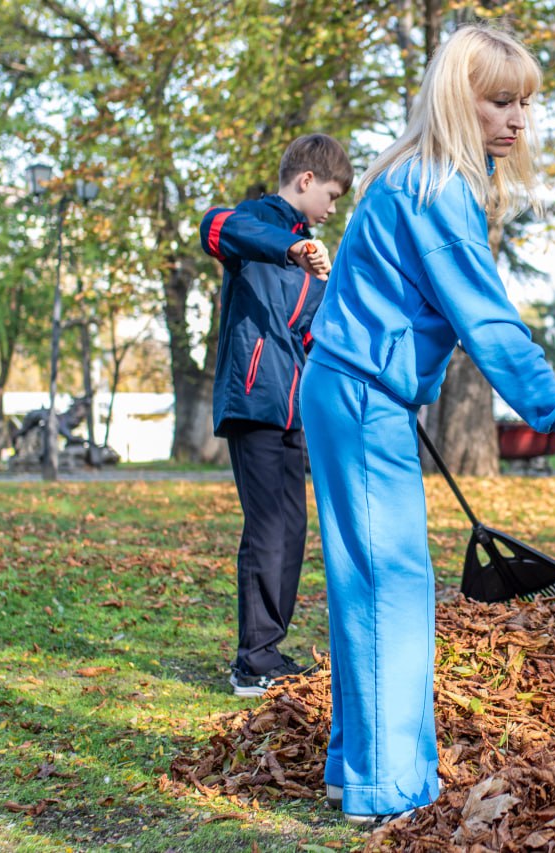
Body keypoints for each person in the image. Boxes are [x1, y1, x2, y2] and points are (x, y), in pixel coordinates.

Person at [299, 25, 555, 826]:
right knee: (393, 586)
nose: (518, 121)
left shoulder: (416, 177)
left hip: (354, 391)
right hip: (359, 396)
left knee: (365, 583)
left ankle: (355, 767)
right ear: (459, 100)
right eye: (501, 102)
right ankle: (392, 791)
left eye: (525, 104)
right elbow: (491, 327)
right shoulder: (437, 190)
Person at [199, 133, 353, 698]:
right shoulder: (256, 221)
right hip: (255, 400)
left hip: (293, 410)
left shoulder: (308, 253)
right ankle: (252, 663)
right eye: (331, 197)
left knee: (292, 530)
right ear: (306, 181)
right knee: (268, 530)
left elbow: (309, 332)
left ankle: (267, 653)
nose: (332, 211)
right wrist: (290, 251)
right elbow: (215, 227)